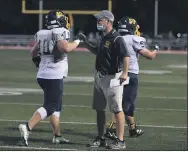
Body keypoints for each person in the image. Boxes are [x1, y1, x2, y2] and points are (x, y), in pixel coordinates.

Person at [18, 10, 81, 146]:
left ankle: (57, 136)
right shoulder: (60, 31)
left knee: (56, 105)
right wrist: (77, 41)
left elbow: (33, 52)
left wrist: (38, 64)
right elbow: (65, 48)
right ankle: (28, 126)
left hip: (43, 74)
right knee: (51, 106)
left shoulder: (43, 33)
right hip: (54, 75)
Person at [78, 10, 130, 149]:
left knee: (117, 110)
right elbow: (97, 51)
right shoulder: (103, 37)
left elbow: (126, 56)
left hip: (113, 77)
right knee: (100, 109)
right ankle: (101, 138)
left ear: (108, 21)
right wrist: (86, 43)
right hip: (100, 77)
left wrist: (124, 73)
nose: (98, 22)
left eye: (100, 20)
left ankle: (120, 141)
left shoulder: (117, 38)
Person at [105, 16, 159, 140]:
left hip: (116, 73)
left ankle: (132, 129)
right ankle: (111, 129)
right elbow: (149, 56)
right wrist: (155, 50)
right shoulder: (134, 39)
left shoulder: (115, 37)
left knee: (122, 102)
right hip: (130, 74)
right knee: (126, 104)